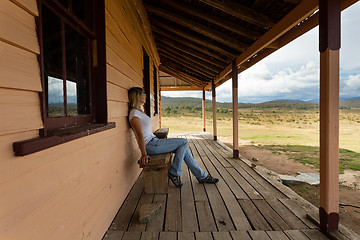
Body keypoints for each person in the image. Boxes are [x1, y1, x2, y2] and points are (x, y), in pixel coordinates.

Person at [128, 87, 219, 187]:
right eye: (143, 94)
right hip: (150, 145)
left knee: (184, 150)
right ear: (136, 96)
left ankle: (202, 176)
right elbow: (140, 136)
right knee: (183, 142)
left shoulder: (140, 111)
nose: (145, 96)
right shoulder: (134, 114)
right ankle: (174, 172)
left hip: (154, 141)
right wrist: (144, 154)